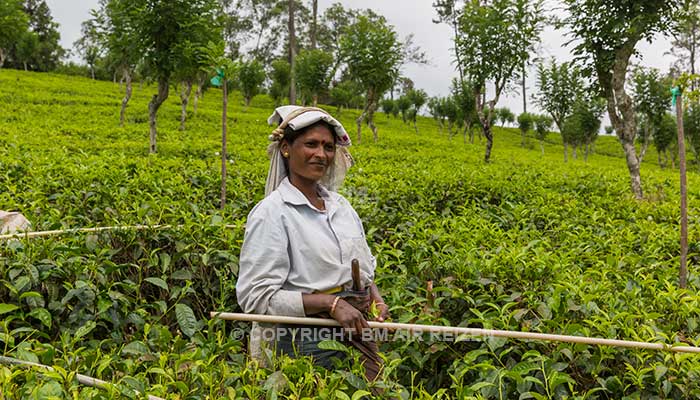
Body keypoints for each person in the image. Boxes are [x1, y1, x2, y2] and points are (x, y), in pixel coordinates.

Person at [236, 106, 390, 380]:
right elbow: (256, 297)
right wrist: (330, 304)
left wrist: (373, 296)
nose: (321, 154)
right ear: (286, 148)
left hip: (357, 327)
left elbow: (363, 266)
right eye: (311, 144)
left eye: (328, 147)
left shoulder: (341, 207)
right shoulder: (272, 213)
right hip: (303, 336)